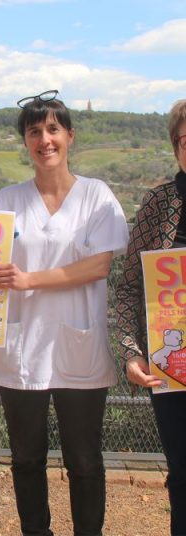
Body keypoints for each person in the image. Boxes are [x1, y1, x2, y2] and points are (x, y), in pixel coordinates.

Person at [0, 91, 128, 536]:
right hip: (22, 346)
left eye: (52, 129)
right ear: (25, 141)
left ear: (70, 135)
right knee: (26, 458)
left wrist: (29, 279)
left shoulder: (96, 196)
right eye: (34, 132)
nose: (44, 139)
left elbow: (98, 266)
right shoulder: (7, 199)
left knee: (84, 460)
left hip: (77, 345)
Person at [115, 99, 186, 536]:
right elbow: (128, 287)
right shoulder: (159, 203)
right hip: (173, 367)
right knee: (182, 473)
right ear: (176, 146)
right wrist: (130, 350)